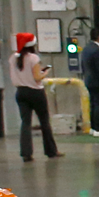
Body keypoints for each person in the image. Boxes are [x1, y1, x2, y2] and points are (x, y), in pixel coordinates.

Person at [10, 32, 59, 161]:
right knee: (44, 122)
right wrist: (45, 72)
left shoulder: (13, 58)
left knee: (25, 123)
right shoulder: (33, 58)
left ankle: (26, 153)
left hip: (20, 92)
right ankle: (51, 151)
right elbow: (37, 77)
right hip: (36, 93)